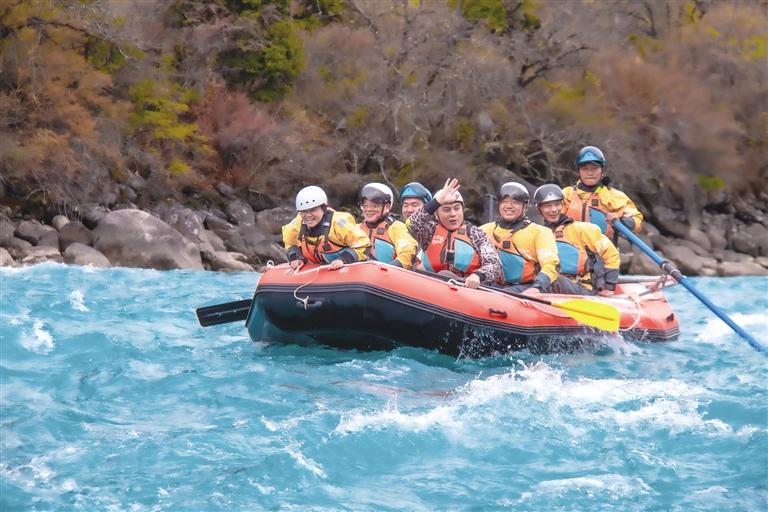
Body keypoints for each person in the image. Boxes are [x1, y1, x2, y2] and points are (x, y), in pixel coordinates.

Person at [408, 178, 501, 289]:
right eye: (446, 210)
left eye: (457, 208)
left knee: (446, 275)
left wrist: (478, 275)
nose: (453, 214)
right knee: (443, 274)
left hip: (466, 288)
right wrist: (436, 202)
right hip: (432, 285)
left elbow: (494, 264)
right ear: (436, 214)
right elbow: (412, 223)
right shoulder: (429, 231)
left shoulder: (476, 234)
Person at [534, 184, 621, 296]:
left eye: (557, 204)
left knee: (551, 278)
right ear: (539, 209)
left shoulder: (583, 229)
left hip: (581, 288)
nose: (554, 209)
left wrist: (609, 286)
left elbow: (611, 253)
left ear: (562, 205)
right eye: (548, 206)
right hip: (551, 287)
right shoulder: (538, 234)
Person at [479, 182, 559, 295]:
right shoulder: (484, 230)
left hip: (525, 287)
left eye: (515, 202)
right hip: (492, 285)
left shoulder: (540, 232)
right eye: (505, 201)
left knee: (502, 294)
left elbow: (551, 266)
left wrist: (536, 288)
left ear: (525, 206)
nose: (509, 206)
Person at [562, 146, 643, 241]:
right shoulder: (566, 194)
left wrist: (621, 222)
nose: (590, 173)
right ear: (579, 171)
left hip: (604, 248)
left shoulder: (614, 196)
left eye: (594, 168)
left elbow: (637, 220)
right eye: (585, 169)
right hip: (571, 248)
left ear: (602, 171)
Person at [282, 185, 370, 271]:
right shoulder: (297, 224)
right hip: (314, 270)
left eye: (313, 210)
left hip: (347, 269)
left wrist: (343, 259)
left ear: (323, 209)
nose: (308, 215)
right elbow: (290, 243)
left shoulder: (338, 223)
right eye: (304, 211)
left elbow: (363, 244)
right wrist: (296, 258)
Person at [357, 183, 418, 269]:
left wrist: (387, 269)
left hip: (388, 274)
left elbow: (407, 254)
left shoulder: (398, 228)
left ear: (387, 207)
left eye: (374, 206)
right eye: (365, 205)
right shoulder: (355, 229)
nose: (368, 209)